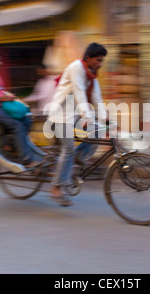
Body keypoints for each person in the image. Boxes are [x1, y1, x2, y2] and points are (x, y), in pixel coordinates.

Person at [45, 43, 108, 207]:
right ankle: (56, 187)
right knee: (69, 149)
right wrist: (88, 116)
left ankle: (80, 157)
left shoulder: (92, 75)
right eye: (98, 60)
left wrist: (106, 119)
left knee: (98, 130)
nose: (100, 64)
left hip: (75, 116)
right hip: (60, 117)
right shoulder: (76, 68)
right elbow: (79, 93)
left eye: (102, 61)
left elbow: (97, 98)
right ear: (88, 58)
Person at [0, 51, 45, 167]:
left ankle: (10, 145)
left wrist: (8, 97)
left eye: (0, 60)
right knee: (17, 125)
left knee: (27, 120)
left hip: (2, 106)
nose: (0, 63)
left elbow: (0, 94)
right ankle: (26, 160)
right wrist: (1, 99)